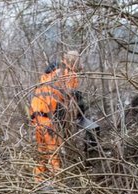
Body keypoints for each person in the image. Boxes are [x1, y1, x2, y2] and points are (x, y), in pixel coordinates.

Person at [29, 50, 96, 180]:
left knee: (42, 151)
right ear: (75, 62)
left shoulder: (50, 73)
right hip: (47, 116)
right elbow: (72, 97)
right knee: (53, 152)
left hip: (35, 114)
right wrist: (80, 113)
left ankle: (38, 181)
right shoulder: (69, 74)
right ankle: (56, 183)